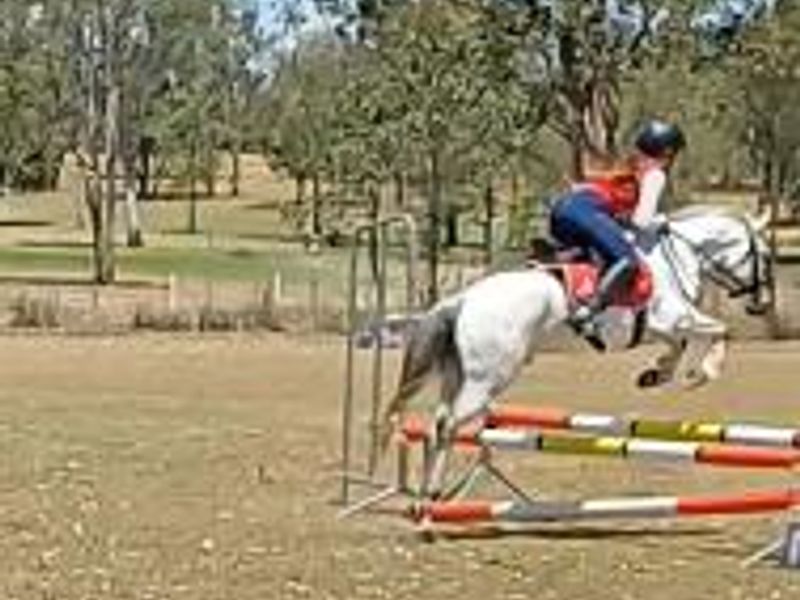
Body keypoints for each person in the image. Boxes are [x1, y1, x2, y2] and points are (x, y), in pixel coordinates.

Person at [549, 119, 686, 349]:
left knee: (601, 256)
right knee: (628, 262)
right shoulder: (654, 174)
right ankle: (588, 312)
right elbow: (641, 222)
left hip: (563, 211)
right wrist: (663, 223)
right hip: (584, 211)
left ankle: (577, 294)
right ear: (668, 153)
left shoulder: (631, 165)